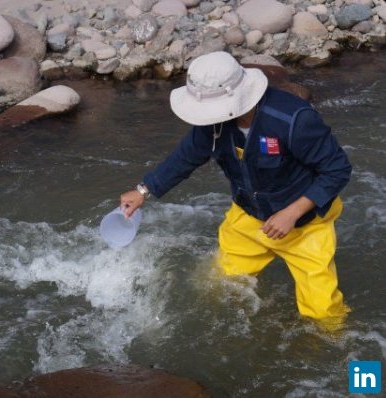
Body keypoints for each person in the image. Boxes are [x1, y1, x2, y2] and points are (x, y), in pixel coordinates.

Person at [120, 51, 352, 321]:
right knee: (218, 285)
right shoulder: (213, 124)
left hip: (306, 225)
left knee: (324, 314)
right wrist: (143, 190)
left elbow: (337, 169)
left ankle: (349, 361)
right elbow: (186, 156)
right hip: (249, 216)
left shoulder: (294, 120)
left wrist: (292, 213)